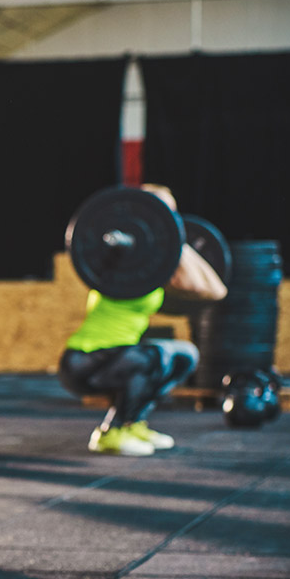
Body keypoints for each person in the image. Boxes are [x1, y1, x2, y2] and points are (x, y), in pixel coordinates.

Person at [58, 184, 227, 456]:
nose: (169, 220)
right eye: (162, 212)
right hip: (85, 360)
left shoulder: (155, 268)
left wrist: (174, 241)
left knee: (185, 355)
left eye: (172, 215)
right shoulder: (115, 259)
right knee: (152, 358)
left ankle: (134, 423)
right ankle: (110, 433)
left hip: (119, 357)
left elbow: (215, 290)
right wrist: (166, 240)